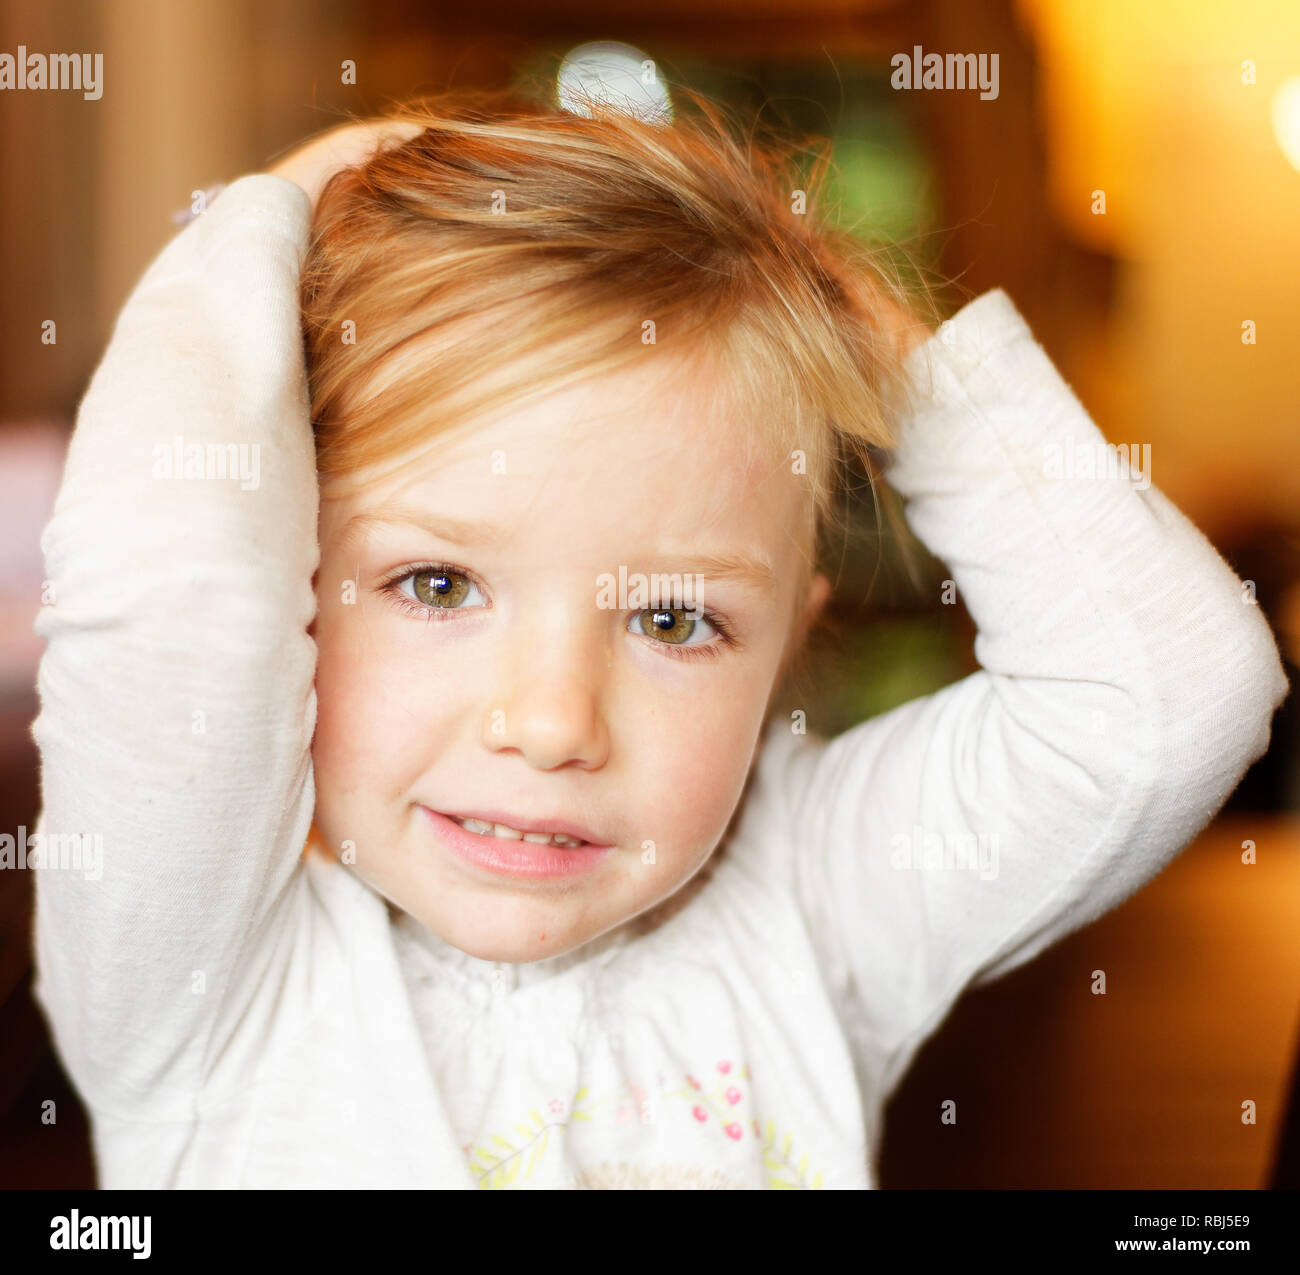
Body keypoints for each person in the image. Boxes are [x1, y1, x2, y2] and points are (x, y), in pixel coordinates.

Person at [28, 84, 1288, 1190]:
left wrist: (855, 331)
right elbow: (172, 580)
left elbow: (1172, 691)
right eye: (435, 583)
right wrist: (299, 191)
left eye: (674, 617)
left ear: (787, 646)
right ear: (289, 592)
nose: (552, 720)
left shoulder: (810, 904)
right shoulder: (204, 972)